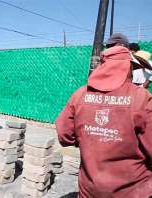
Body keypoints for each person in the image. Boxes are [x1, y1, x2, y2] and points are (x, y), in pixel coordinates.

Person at [56, 45, 152, 197]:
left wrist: (90, 137)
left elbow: (64, 135)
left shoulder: (80, 94)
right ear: (126, 67)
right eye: (132, 68)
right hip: (132, 191)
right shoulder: (142, 99)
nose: (133, 73)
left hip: (90, 189)